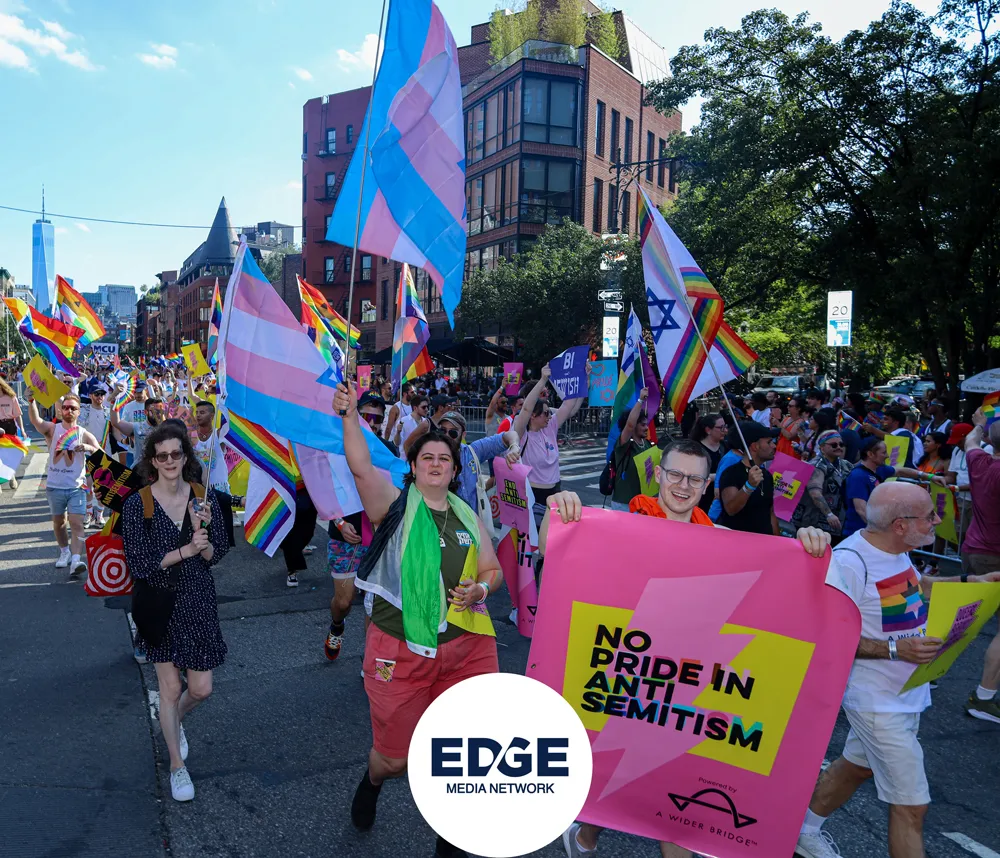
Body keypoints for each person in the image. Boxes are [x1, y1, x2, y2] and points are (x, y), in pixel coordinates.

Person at [541, 442, 830, 858]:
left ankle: (586, 833)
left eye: (695, 479)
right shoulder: (620, 525)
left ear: (707, 485)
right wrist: (559, 508)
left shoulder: (721, 540)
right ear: (658, 474)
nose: (683, 485)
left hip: (687, 680)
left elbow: (780, 569)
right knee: (625, 764)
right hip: (631, 671)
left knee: (666, 787)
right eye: (675, 474)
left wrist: (807, 544)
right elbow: (551, 547)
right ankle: (586, 831)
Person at [333, 381, 502, 858]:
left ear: (455, 470)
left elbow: (492, 570)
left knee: (465, 749)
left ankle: (451, 836)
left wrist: (481, 589)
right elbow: (361, 466)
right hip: (400, 649)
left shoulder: (467, 515)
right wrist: (349, 417)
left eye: (444, 458)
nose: (435, 463)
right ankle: (372, 780)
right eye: (426, 457)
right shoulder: (394, 507)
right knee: (396, 759)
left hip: (468, 647)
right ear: (412, 467)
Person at [795, 482, 1000, 858]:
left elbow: (916, 587)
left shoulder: (896, 551)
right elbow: (826, 637)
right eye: (929, 516)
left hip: (904, 694)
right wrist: (895, 649)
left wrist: (971, 581)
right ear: (900, 525)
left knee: (856, 768)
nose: (937, 521)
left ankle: (802, 832)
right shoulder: (850, 563)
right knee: (912, 807)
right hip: (877, 704)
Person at [121, 422, 230, 803]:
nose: (170, 461)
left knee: (200, 689)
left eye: (176, 454)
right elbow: (140, 563)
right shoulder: (138, 504)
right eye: (162, 455)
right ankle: (176, 766)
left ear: (186, 457)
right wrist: (185, 550)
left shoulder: (204, 497)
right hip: (159, 603)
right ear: (152, 461)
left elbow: (216, 553)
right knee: (169, 688)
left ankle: (173, 721)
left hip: (197, 601)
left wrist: (203, 540)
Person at [325, 391, 401, 661]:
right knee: (343, 602)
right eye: (367, 416)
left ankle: (371, 661)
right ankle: (337, 625)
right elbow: (324, 488)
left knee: (375, 604)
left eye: (378, 418)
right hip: (345, 535)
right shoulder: (338, 445)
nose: (373, 423)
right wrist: (339, 521)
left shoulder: (389, 450)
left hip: (379, 538)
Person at [27, 392, 102, 575]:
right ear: (61, 410)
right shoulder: (53, 429)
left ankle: (76, 560)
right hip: (55, 487)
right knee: (59, 523)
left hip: (77, 488)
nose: (69, 411)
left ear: (78, 412)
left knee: (76, 524)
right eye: (66, 407)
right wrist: (31, 401)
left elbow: (100, 453)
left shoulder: (83, 434)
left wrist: (88, 448)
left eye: (73, 408)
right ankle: (64, 552)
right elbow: (36, 421)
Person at [960, 410, 1000, 723]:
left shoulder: (979, 461)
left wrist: (979, 425)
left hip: (973, 550)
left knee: (961, 619)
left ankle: (921, 673)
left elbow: (970, 441)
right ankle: (983, 698)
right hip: (996, 557)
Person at [403, 408, 521, 513]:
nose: (446, 435)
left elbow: (509, 435)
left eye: (453, 432)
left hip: (473, 523)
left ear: (463, 435)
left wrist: (514, 446)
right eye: (442, 431)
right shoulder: (432, 458)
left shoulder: (473, 451)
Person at [842, 437, 945, 539]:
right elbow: (861, 510)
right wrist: (880, 532)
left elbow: (901, 471)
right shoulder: (858, 476)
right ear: (870, 454)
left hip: (873, 533)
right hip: (858, 534)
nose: (887, 456)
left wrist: (930, 477)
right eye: (883, 453)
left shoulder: (880, 469)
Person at [717, 421, 779, 535]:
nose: (774, 446)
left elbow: (770, 513)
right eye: (769, 442)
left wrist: (778, 541)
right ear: (755, 446)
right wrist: (749, 486)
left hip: (764, 541)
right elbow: (731, 509)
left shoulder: (767, 475)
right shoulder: (731, 473)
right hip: (737, 541)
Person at [792, 429, 854, 539]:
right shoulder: (817, 465)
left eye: (841, 444)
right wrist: (829, 514)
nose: (839, 447)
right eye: (834, 445)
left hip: (836, 524)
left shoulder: (845, 465)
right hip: (814, 523)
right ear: (822, 448)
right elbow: (815, 492)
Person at [191, 400, 235, 548]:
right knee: (203, 526)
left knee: (222, 525)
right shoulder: (192, 438)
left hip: (218, 487)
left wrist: (224, 402)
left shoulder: (218, 434)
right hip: (201, 489)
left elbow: (229, 423)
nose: (198, 415)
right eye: (197, 412)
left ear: (212, 416)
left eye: (202, 412)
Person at [609, 388, 653, 512]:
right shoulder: (624, 443)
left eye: (646, 424)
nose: (646, 428)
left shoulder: (647, 444)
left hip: (643, 503)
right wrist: (641, 400)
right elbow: (630, 425)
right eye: (642, 425)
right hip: (624, 504)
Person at [110, 392, 165, 465]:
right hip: (141, 469)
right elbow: (116, 422)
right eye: (154, 411)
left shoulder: (166, 428)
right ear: (145, 412)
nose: (158, 414)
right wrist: (114, 401)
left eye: (160, 411)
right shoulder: (137, 427)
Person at [689, 412, 727, 514]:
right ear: (708, 430)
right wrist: (718, 476)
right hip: (703, 497)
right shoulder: (696, 449)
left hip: (722, 496)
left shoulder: (725, 446)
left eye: (725, 426)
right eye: (721, 428)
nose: (725, 430)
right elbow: (693, 475)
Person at [0, 377, 26, 489]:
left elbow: (18, 415)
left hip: (10, 426)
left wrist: (22, 430)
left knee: (9, 454)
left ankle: (12, 476)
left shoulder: (11, 397)